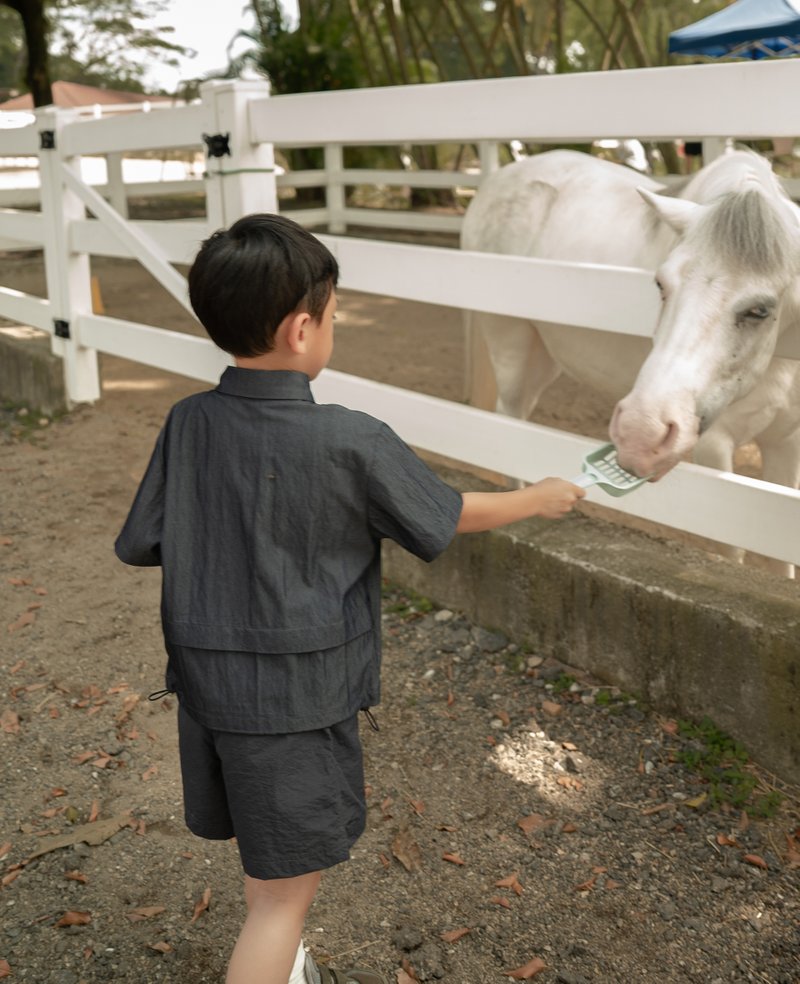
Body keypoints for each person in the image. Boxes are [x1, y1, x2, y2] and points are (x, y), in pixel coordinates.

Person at [114, 213, 585, 984]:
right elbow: (446, 513)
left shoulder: (187, 422)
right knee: (280, 904)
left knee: (271, 863)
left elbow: (141, 541)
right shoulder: (351, 439)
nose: (335, 328)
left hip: (209, 690)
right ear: (303, 330)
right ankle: (271, 961)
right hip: (295, 700)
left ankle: (281, 962)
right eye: (335, 317)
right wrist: (537, 498)